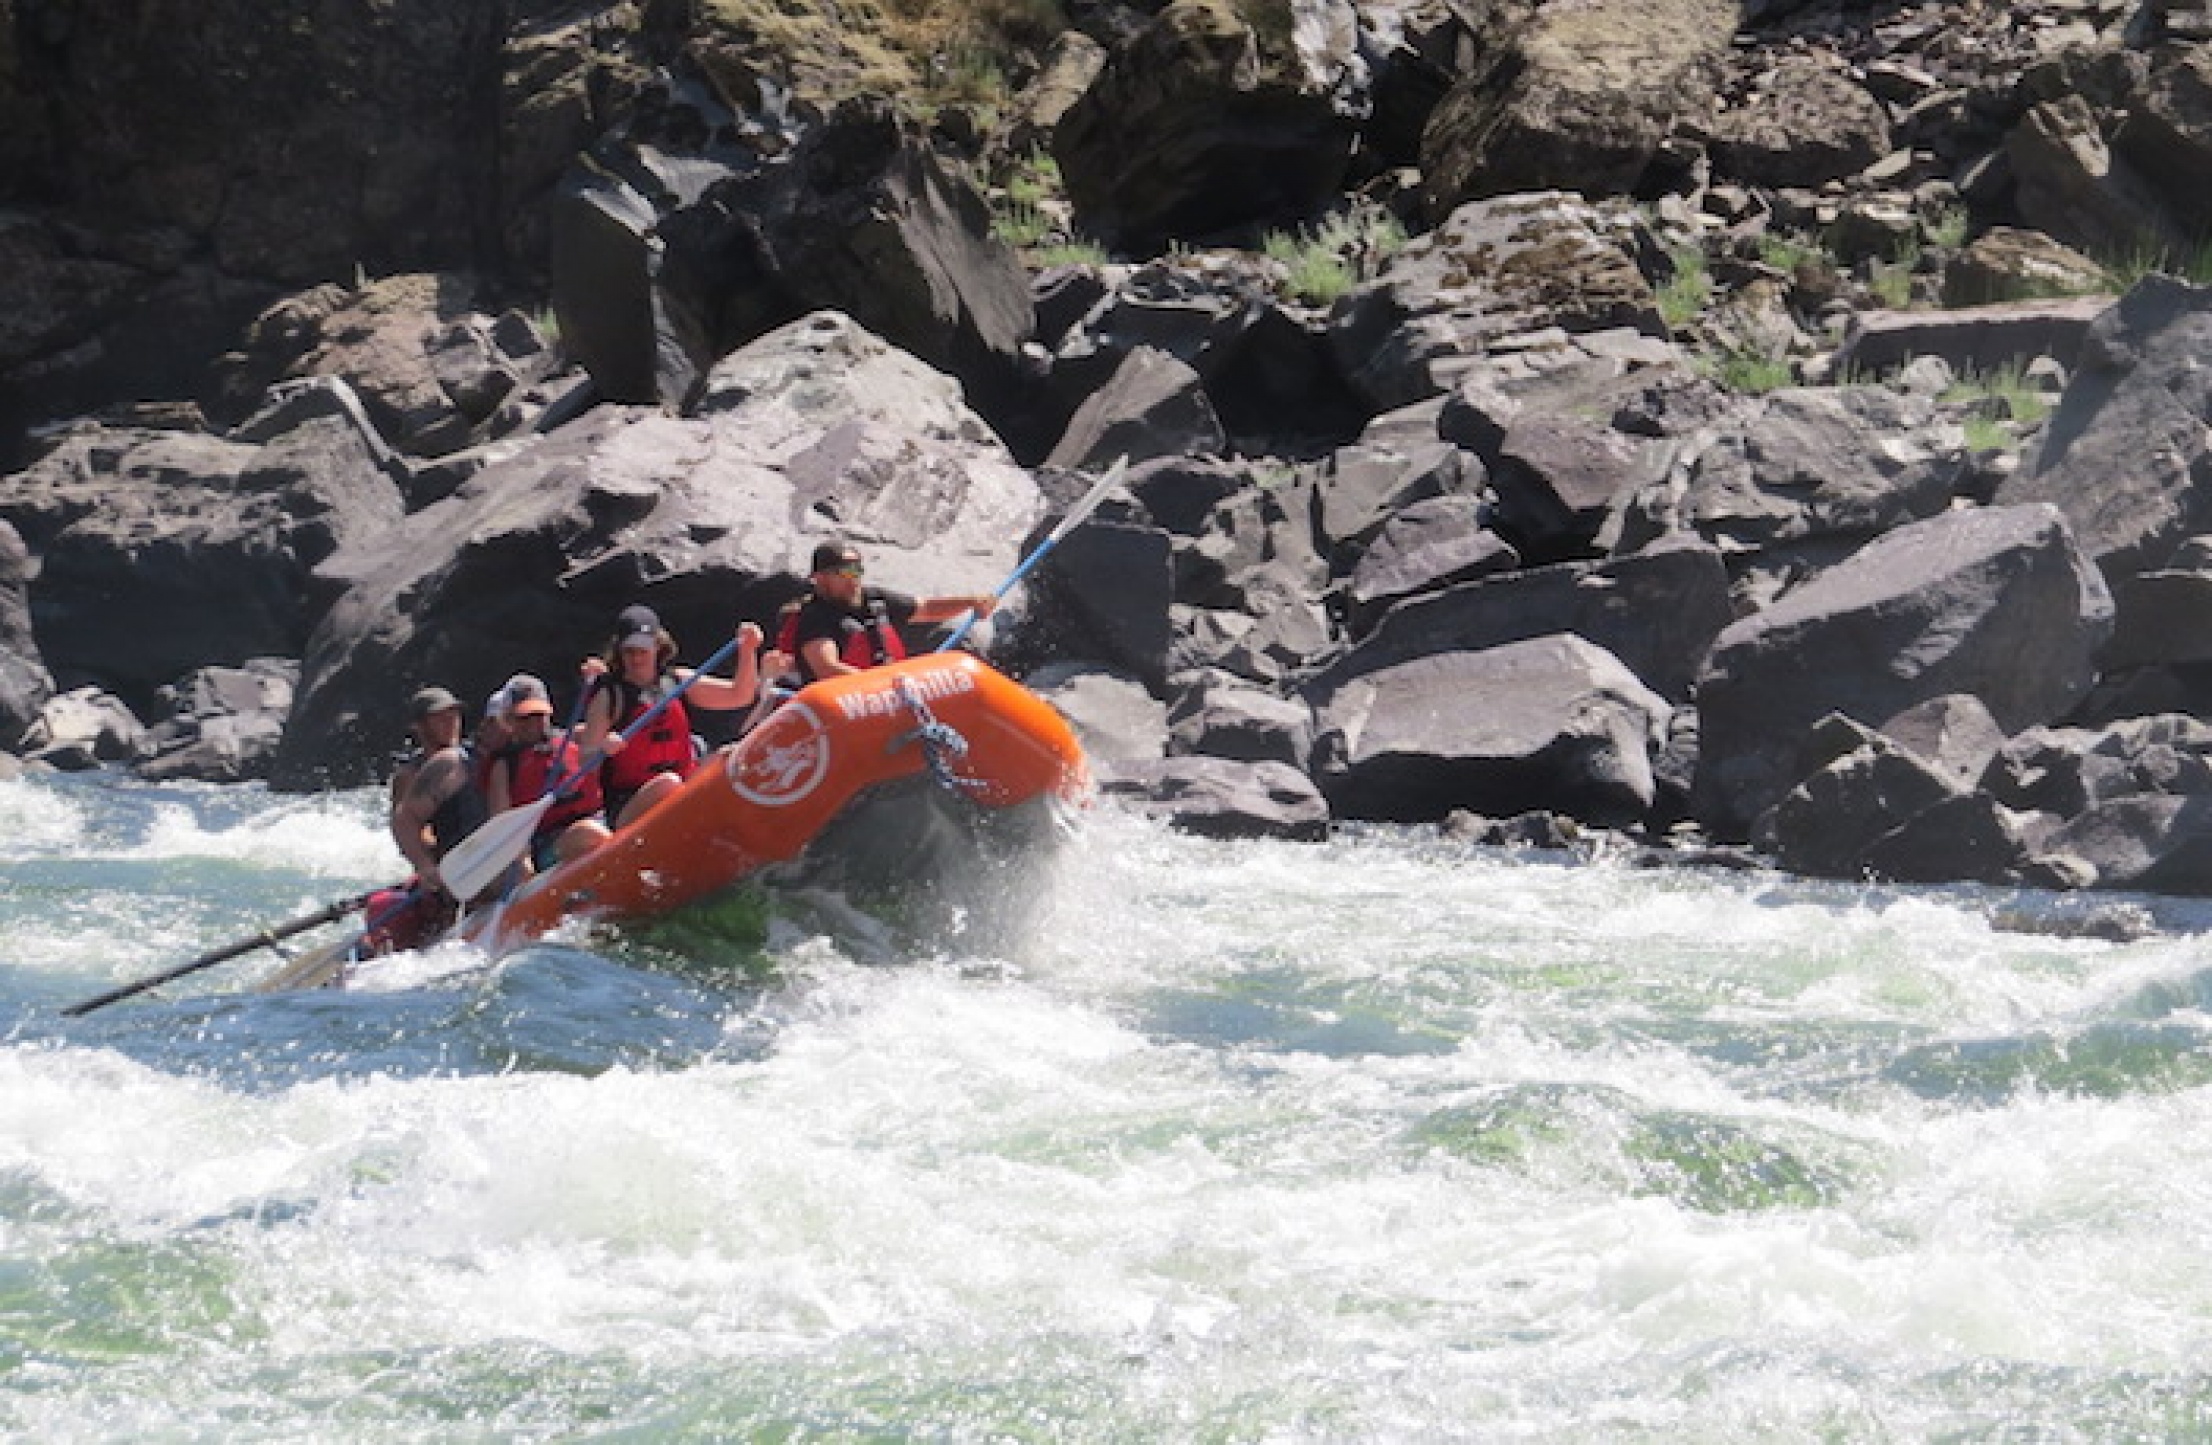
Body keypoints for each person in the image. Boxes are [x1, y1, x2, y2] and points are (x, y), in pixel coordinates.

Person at [576, 603, 774, 832]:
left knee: (729, 755)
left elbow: (740, 695)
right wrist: (603, 749)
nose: (636, 658)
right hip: (631, 804)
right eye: (628, 651)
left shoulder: (678, 682)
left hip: (683, 788)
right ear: (619, 651)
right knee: (667, 784)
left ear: (658, 646)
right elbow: (585, 760)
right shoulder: (609, 696)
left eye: (642, 650)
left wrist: (748, 651)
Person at [776, 539, 998, 686]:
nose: (852, 578)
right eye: (843, 572)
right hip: (847, 702)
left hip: (885, 693)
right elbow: (826, 667)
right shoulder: (816, 616)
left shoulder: (875, 599)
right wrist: (886, 684)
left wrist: (972, 601)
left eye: (856, 570)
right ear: (820, 579)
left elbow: (927, 608)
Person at [367, 684, 488, 952]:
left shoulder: (474, 758)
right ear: (419, 726)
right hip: (442, 861)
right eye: (440, 718)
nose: (451, 723)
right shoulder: (410, 776)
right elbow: (407, 825)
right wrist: (428, 863)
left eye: (454, 715)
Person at [485, 673, 603, 872]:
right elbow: (502, 824)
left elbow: (605, 718)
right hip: (550, 844)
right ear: (508, 720)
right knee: (586, 833)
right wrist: (522, 860)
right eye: (525, 718)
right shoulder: (504, 765)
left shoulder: (575, 738)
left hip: (599, 820)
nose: (534, 724)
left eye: (539, 715)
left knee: (663, 784)